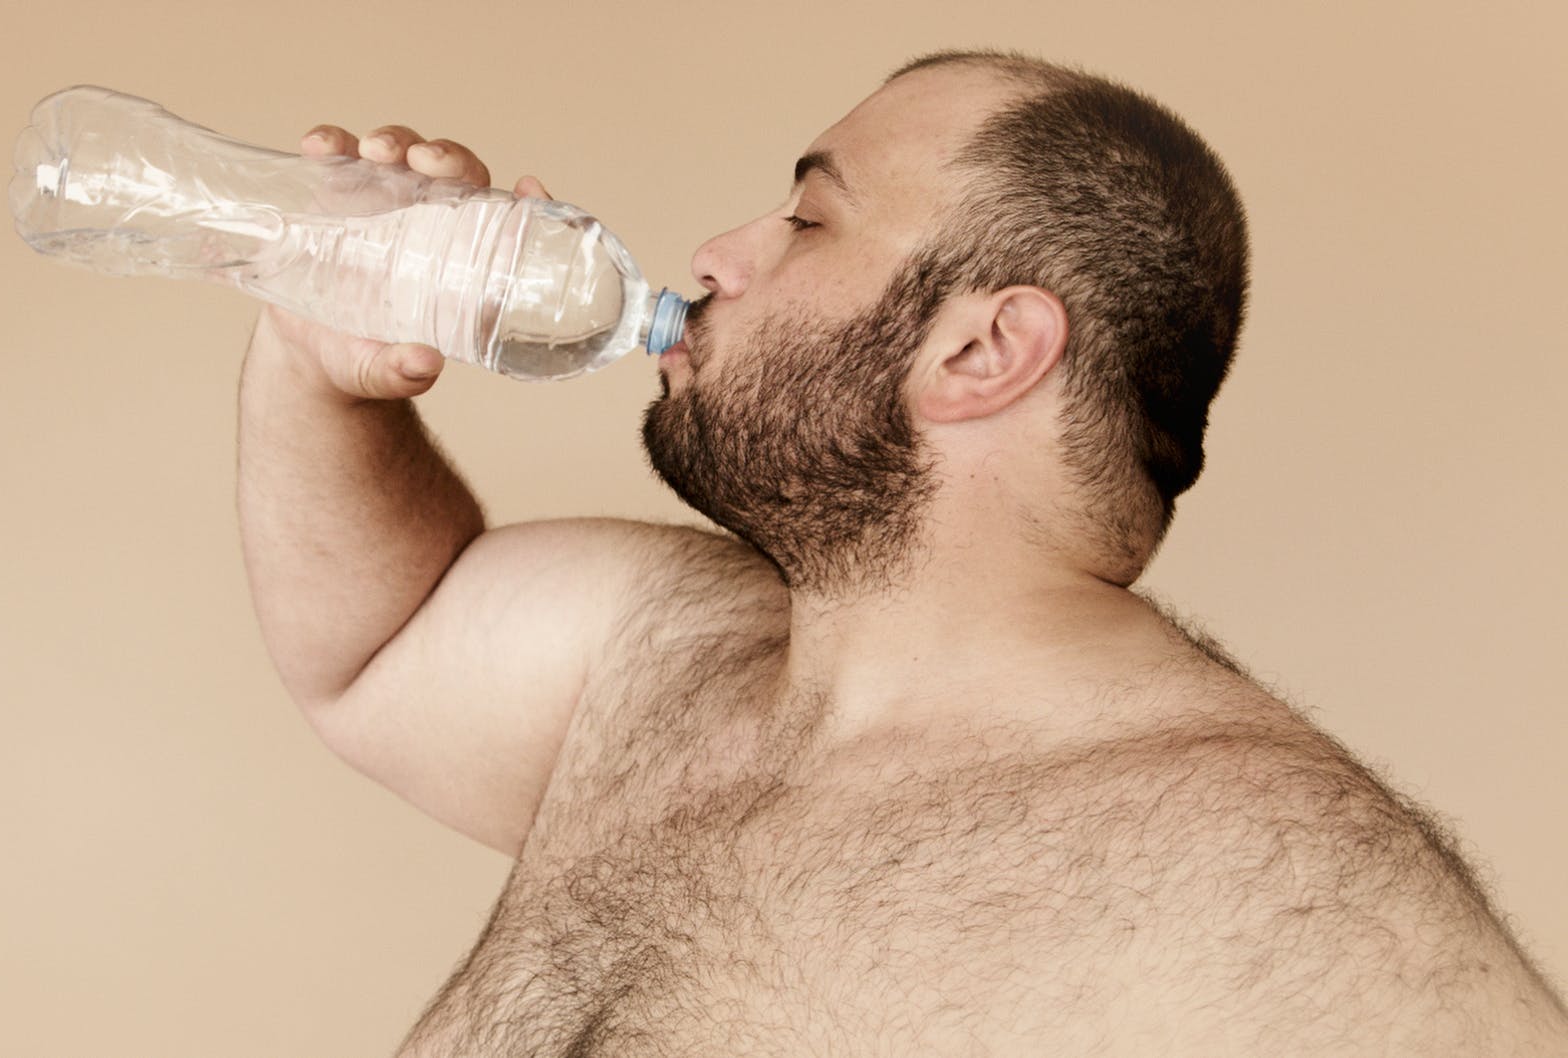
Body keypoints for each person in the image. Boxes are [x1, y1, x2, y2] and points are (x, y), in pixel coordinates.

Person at [236, 49, 1568, 1054]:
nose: (719, 253)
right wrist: (320, 357)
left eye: (807, 219)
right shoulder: (667, 649)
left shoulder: (1270, 875)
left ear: (984, 350)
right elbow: (373, 645)